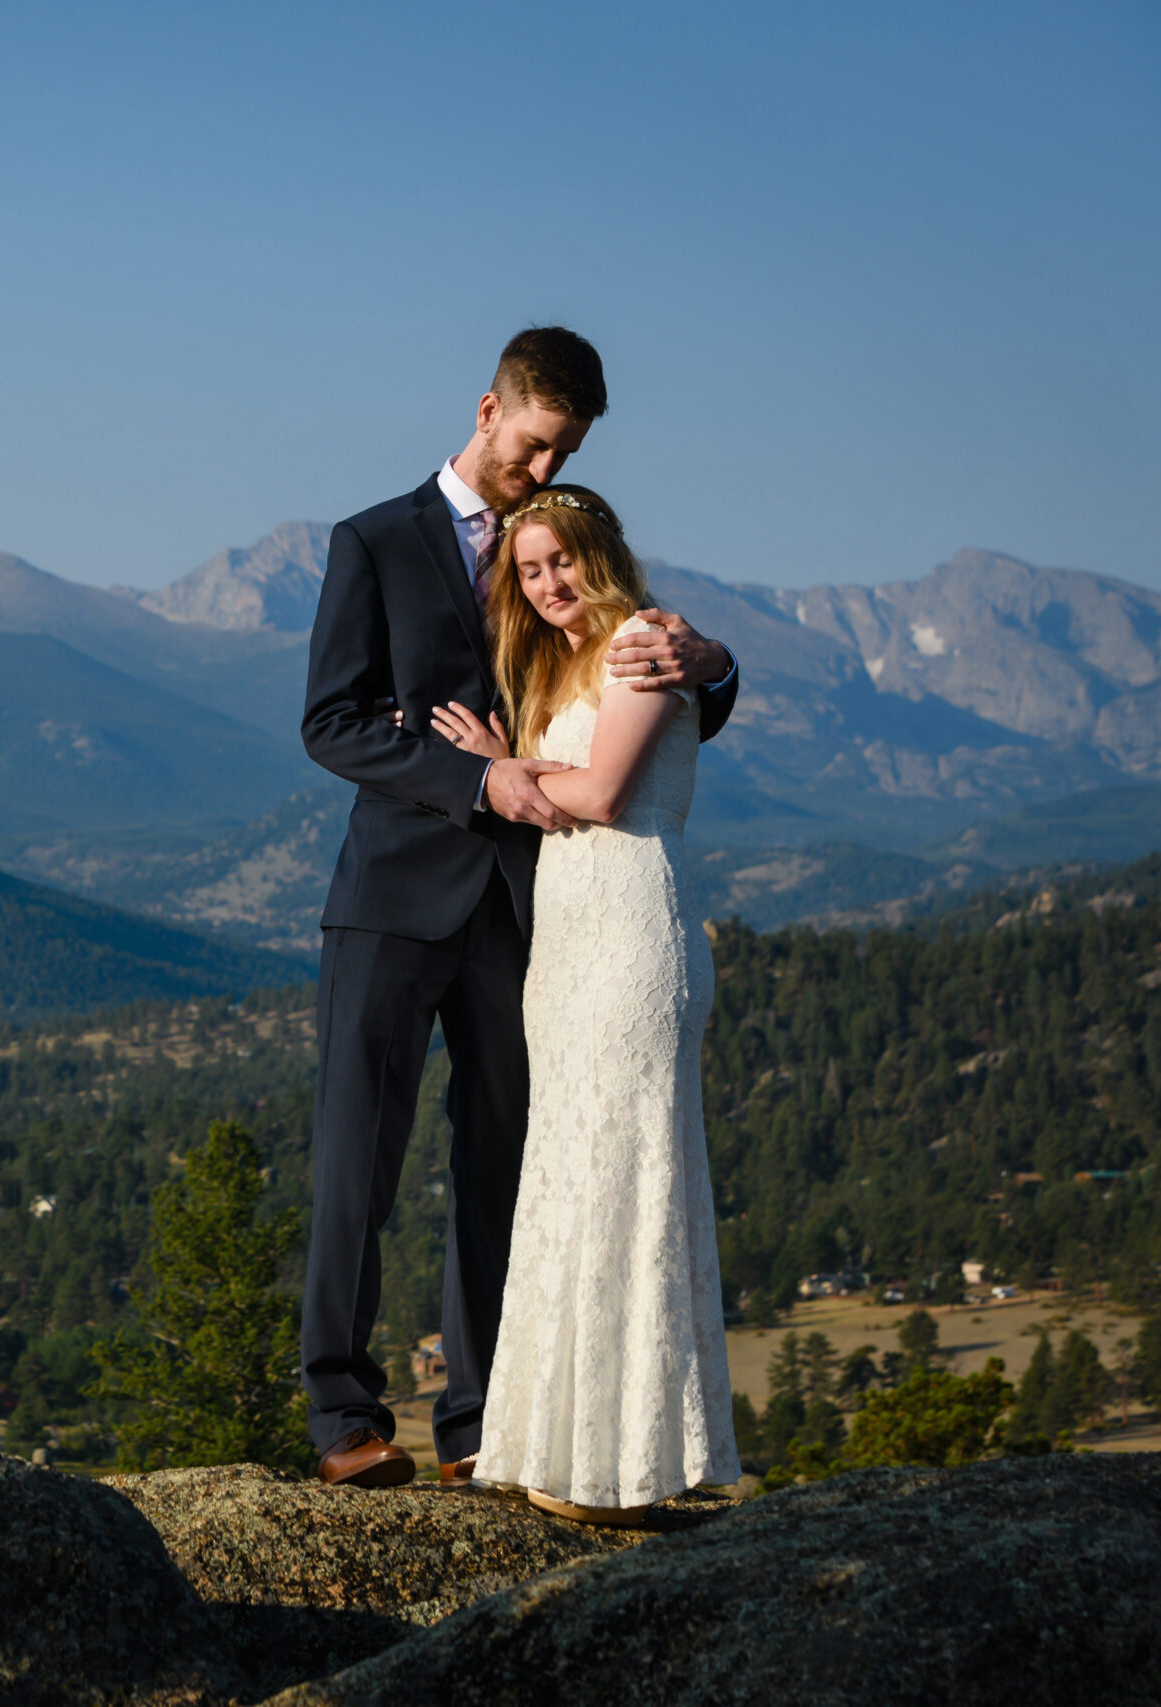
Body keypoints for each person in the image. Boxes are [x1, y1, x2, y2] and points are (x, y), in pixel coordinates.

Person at [295, 327, 738, 1490]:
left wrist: (716, 662)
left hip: (536, 910)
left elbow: (625, 685)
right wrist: (474, 779)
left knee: (503, 1162)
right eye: (535, 446)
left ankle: (480, 1422)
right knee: (358, 1158)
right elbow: (331, 723)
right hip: (390, 901)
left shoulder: (554, 550)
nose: (541, 474)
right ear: (488, 407)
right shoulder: (373, 542)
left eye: (565, 455)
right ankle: (343, 1417)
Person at [432, 486, 741, 1520]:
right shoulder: (559, 662)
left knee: (626, 1181)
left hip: (630, 940)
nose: (547, 582)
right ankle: (560, 1451)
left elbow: (604, 794)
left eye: (561, 560)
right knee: (567, 1177)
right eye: (528, 569)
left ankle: (627, 1464)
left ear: (599, 554)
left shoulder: (646, 641)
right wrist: (506, 763)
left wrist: (497, 771)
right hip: (564, 949)